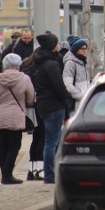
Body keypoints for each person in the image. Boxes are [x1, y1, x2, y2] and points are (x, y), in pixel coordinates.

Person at [31, 32, 72, 184]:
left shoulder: (39, 62)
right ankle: (50, 175)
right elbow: (59, 87)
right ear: (51, 45)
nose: (58, 45)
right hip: (54, 105)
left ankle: (50, 173)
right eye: (56, 43)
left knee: (49, 141)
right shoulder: (52, 65)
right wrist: (67, 98)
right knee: (51, 142)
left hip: (43, 104)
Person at [0, 53, 35, 184]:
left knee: (2, 145)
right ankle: (7, 174)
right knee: (14, 145)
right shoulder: (24, 78)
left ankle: (4, 174)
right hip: (15, 115)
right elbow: (31, 99)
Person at [20, 53, 45, 180]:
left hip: (29, 107)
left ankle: (32, 168)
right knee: (41, 136)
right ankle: (40, 169)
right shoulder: (37, 67)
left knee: (36, 138)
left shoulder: (25, 65)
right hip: (37, 104)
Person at [63, 37, 90, 117]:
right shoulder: (70, 63)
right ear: (76, 49)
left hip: (84, 103)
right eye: (82, 49)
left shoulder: (82, 62)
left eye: (86, 48)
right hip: (76, 104)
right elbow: (67, 85)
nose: (85, 51)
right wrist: (81, 96)